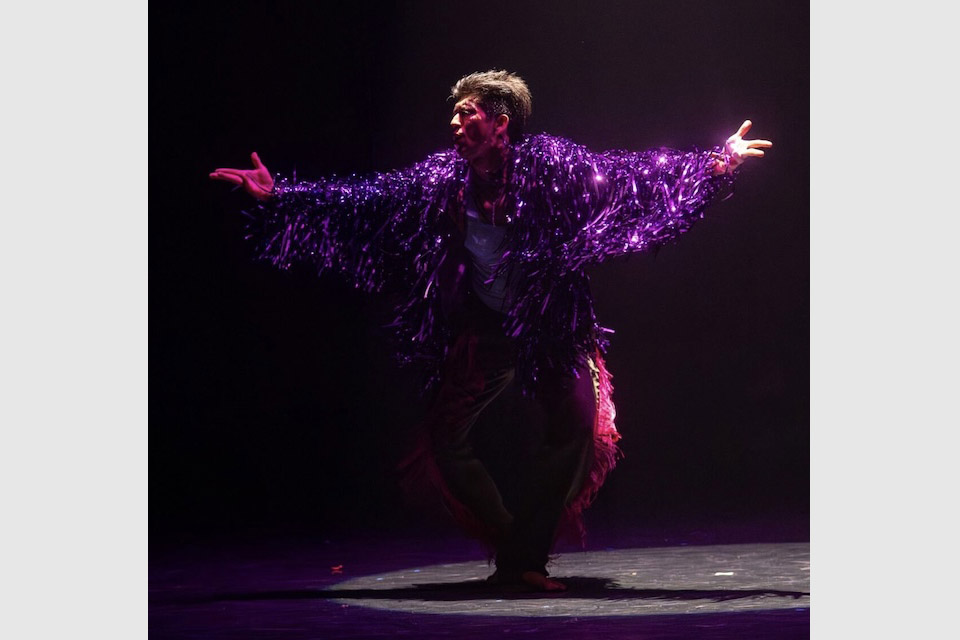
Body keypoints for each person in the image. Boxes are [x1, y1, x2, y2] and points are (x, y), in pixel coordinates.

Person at [210, 70, 772, 591]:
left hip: (552, 326)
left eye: (467, 112)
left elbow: (630, 176)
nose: (455, 123)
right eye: (454, 114)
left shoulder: (553, 168)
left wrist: (716, 162)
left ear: (501, 123)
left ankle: (523, 560)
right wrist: (282, 195)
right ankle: (515, 542)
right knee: (443, 439)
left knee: (577, 423)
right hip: (487, 327)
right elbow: (368, 201)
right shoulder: (438, 182)